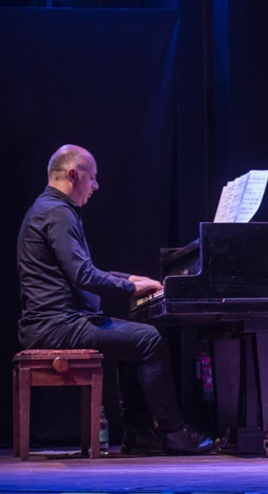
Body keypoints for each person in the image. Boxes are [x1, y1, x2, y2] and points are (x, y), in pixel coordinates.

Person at [16, 144, 223, 456]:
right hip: (56, 325)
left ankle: (140, 434)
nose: (96, 186)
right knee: (150, 340)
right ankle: (176, 435)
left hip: (56, 321)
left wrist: (128, 279)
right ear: (73, 175)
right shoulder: (58, 213)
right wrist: (130, 289)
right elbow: (83, 275)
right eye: (93, 178)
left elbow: (80, 270)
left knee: (134, 338)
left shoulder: (50, 209)